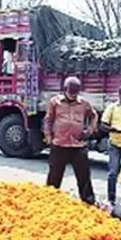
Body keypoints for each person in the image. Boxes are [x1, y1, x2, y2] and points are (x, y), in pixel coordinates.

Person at [43, 76, 98, 205]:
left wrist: (89, 130)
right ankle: (49, 201)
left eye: (76, 90)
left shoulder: (83, 103)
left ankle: (88, 202)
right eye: (71, 90)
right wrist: (48, 137)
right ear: (65, 88)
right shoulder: (55, 102)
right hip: (59, 144)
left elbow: (94, 115)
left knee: (84, 175)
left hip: (78, 145)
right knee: (54, 175)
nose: (73, 93)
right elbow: (48, 120)